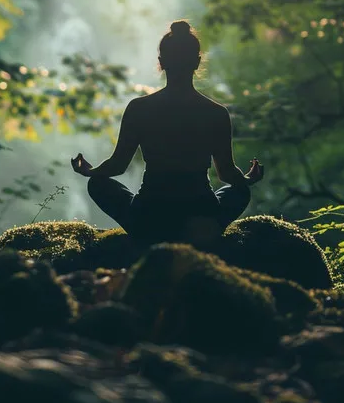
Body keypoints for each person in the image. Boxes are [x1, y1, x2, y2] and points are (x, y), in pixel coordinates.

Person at [70, 20, 264, 244]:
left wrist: (90, 172)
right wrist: (248, 179)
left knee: (97, 184)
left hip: (149, 213)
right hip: (201, 211)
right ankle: (202, 232)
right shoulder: (215, 113)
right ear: (197, 62)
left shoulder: (139, 108)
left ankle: (146, 233)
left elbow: (117, 165)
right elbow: (227, 174)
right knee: (239, 192)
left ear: (161, 63)